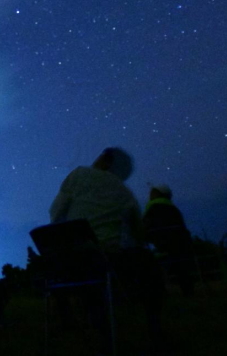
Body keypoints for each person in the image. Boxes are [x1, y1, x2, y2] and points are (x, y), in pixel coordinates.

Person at [49, 147, 165, 352]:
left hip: (70, 263)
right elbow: (138, 235)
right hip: (108, 261)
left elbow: (55, 212)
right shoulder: (125, 193)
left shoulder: (78, 175)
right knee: (147, 262)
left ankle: (83, 322)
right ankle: (155, 330)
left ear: (105, 159)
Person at [50, 147, 142, 251]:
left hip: (78, 248)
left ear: (106, 161)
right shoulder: (127, 194)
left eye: (100, 157)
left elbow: (57, 210)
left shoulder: (80, 174)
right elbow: (138, 232)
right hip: (111, 253)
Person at [143, 184, 195, 296]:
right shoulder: (173, 208)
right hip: (182, 243)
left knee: (153, 264)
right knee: (182, 268)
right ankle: (188, 290)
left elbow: (145, 226)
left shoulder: (153, 207)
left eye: (152, 192)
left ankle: (160, 291)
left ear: (158, 194)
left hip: (163, 244)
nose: (150, 194)